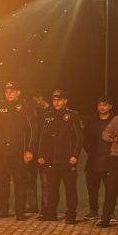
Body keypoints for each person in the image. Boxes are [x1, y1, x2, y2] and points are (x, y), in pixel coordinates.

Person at [0, 81, 36, 221]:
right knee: (2, 181)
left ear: (18, 92)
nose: (9, 94)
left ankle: (20, 212)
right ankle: (3, 209)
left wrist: (29, 150)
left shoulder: (26, 107)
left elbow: (33, 130)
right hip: (2, 152)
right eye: (7, 91)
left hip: (19, 152)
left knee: (20, 182)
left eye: (12, 91)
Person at [36, 90, 83, 224]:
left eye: (60, 100)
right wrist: (40, 154)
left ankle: (71, 215)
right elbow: (42, 137)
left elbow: (79, 138)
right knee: (52, 188)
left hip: (67, 160)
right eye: (55, 100)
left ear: (65, 101)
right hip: (51, 160)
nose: (57, 102)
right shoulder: (47, 116)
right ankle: (51, 213)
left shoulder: (72, 115)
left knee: (70, 189)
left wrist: (75, 155)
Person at [82, 96, 114, 220]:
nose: (102, 107)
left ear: (110, 106)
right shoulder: (92, 121)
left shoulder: (115, 121)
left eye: (105, 104)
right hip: (93, 162)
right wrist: (92, 152)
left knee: (111, 190)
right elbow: (85, 140)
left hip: (110, 162)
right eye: (100, 104)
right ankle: (93, 211)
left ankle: (109, 213)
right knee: (92, 188)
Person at [100, 114, 118, 228]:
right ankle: (105, 219)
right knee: (112, 190)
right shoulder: (117, 119)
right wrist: (114, 138)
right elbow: (105, 134)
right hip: (117, 159)